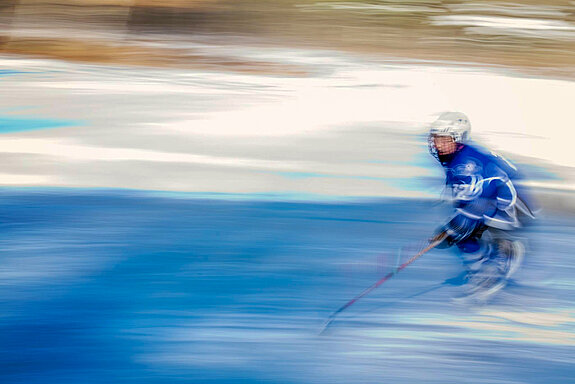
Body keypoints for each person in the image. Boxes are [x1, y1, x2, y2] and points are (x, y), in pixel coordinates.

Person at [427, 112, 537, 297]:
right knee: (461, 233)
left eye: (445, 139)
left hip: (512, 204)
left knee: (462, 231)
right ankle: (482, 269)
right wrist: (454, 227)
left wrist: (453, 228)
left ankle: (505, 254)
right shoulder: (458, 157)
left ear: (458, 139)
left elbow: (485, 197)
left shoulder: (466, 164)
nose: (439, 144)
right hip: (492, 200)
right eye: (437, 139)